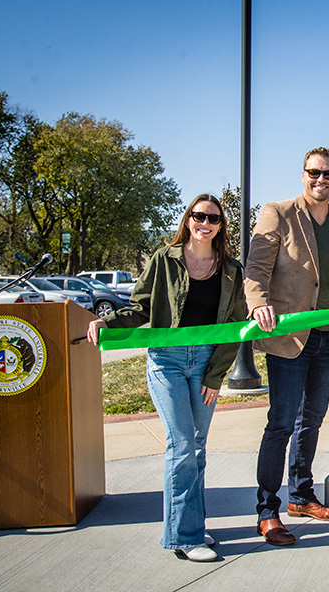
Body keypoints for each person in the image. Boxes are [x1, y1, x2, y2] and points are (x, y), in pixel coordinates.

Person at [87, 194, 246, 562]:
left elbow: (234, 328)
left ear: (221, 226)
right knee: (182, 445)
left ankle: (189, 522)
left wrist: (216, 375)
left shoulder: (230, 269)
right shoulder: (163, 259)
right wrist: (106, 324)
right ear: (188, 219)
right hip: (167, 362)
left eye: (213, 218)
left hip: (206, 363)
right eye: (198, 215)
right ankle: (185, 537)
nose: (205, 222)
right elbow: (140, 306)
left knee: (197, 447)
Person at [245, 147, 329, 545]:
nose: (321, 180)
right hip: (289, 338)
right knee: (280, 424)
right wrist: (259, 304)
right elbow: (256, 270)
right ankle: (268, 510)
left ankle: (301, 495)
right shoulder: (277, 213)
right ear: (303, 175)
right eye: (314, 172)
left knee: (311, 421)